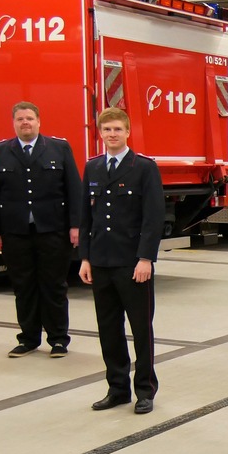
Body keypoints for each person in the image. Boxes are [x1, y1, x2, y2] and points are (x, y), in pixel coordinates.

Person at [78, 108, 165, 415]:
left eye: (117, 129)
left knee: (141, 329)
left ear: (128, 132)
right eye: (107, 130)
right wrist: (85, 258)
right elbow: (86, 217)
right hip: (101, 261)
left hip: (132, 264)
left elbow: (153, 218)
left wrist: (145, 258)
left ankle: (144, 389)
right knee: (108, 328)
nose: (112, 134)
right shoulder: (93, 168)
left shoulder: (143, 168)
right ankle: (117, 388)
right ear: (100, 133)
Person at [0, 101, 82, 358]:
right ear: (13, 123)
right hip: (15, 232)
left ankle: (58, 339)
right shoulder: (0, 151)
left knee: (53, 285)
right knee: (23, 286)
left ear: (39, 121)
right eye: (20, 119)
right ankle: (28, 338)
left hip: (52, 230)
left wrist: (76, 225)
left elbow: (74, 189)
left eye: (29, 118)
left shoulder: (59, 148)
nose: (25, 122)